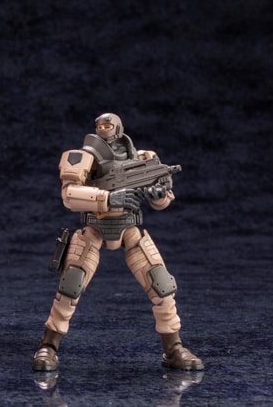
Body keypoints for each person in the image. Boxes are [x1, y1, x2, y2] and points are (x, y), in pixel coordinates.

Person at [32, 113, 203, 372]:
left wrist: (157, 195)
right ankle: (48, 346)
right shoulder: (83, 156)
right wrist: (107, 199)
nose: (103, 129)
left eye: (108, 125)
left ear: (119, 128)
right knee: (71, 286)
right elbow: (69, 195)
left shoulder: (144, 157)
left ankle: (174, 348)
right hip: (95, 228)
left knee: (162, 284)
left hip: (128, 228)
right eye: (99, 125)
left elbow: (163, 200)